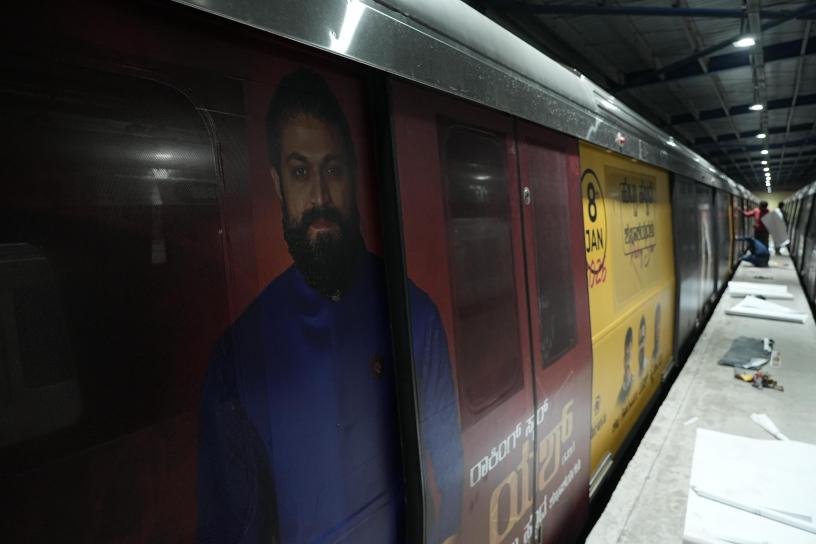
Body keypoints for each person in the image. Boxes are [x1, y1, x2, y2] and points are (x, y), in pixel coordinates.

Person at [197, 68, 463, 544]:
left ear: (354, 174)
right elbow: (233, 530)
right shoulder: (237, 357)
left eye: (332, 169)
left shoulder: (414, 318)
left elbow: (452, 490)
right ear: (278, 184)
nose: (320, 196)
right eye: (301, 172)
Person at [617, 327, 634, 405]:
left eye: (629, 348)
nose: (627, 351)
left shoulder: (635, 380)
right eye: (626, 348)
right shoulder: (620, 393)